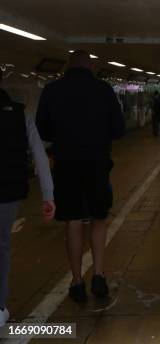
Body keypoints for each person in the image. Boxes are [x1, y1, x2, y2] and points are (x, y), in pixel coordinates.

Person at [36, 50, 125, 303]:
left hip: (65, 165)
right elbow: (118, 130)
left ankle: (76, 281)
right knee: (99, 218)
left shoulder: (52, 90)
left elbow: (42, 129)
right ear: (92, 66)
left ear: (67, 66)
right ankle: (98, 275)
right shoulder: (103, 90)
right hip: (97, 164)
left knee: (73, 222)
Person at [0, 88, 55, 327]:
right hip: (9, 192)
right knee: (1, 246)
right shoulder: (20, 114)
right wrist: (48, 195)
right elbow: (40, 155)